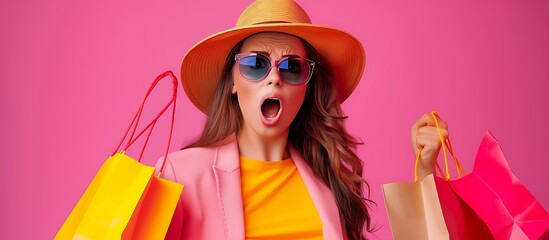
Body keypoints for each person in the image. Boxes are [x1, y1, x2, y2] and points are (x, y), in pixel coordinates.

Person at [156, 0, 447, 239]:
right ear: (233, 82)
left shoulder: (330, 182)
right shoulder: (178, 175)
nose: (274, 78)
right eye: (256, 64)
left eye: (292, 67)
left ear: (307, 89)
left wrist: (425, 172)